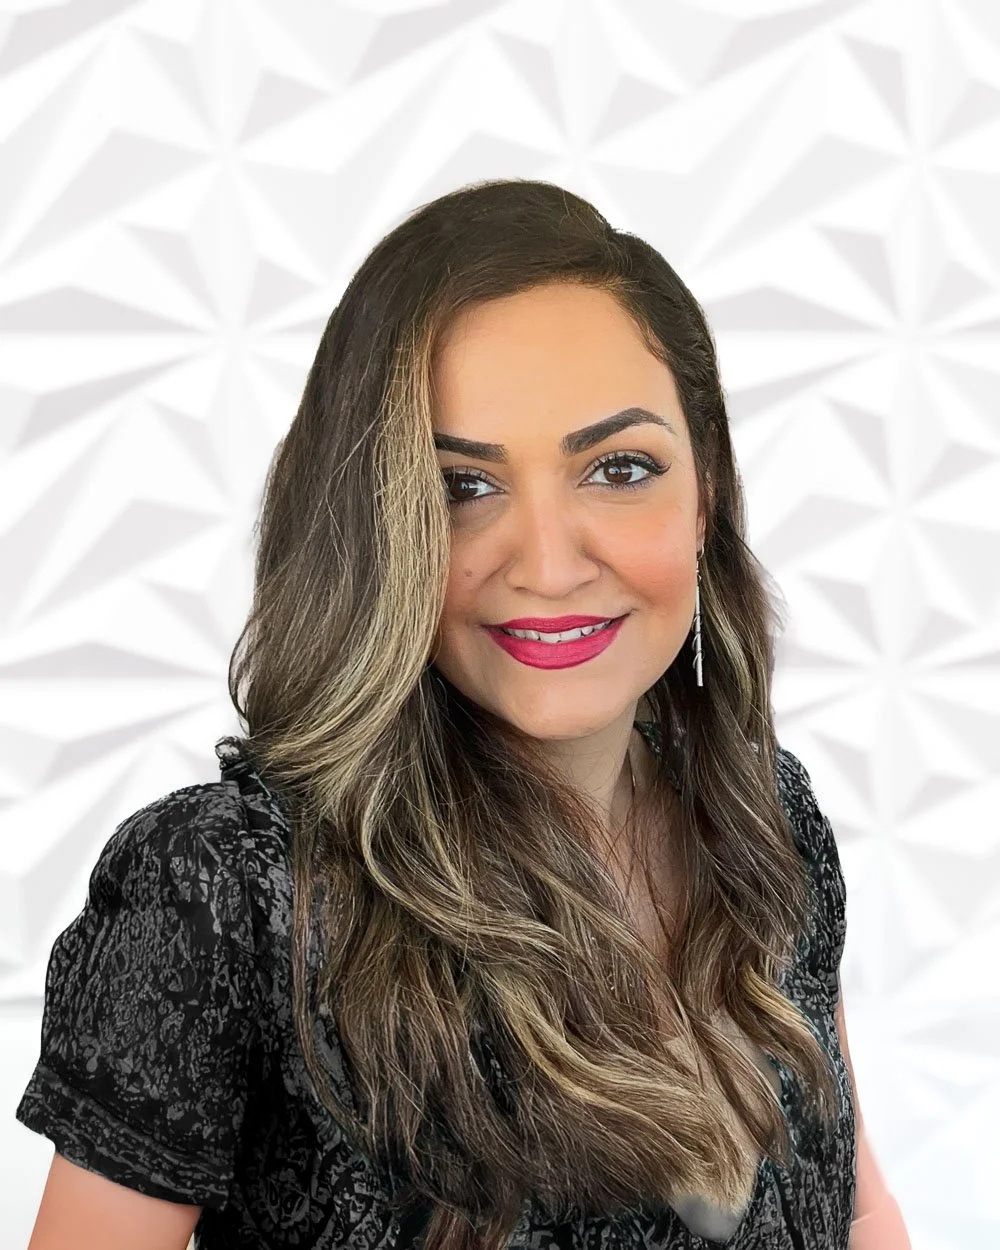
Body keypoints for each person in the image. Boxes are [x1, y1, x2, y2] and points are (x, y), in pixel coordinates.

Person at [15, 178, 911, 1250]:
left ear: (706, 488)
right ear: (373, 527)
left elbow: (859, 1210)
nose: (546, 561)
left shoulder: (764, 816)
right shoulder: (230, 894)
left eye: (618, 468)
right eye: (460, 486)